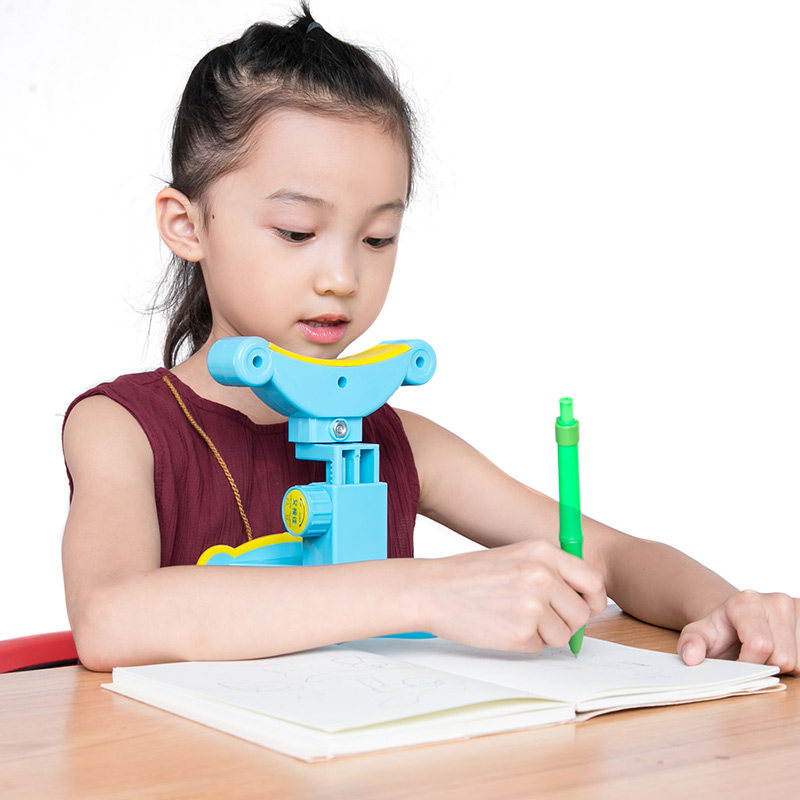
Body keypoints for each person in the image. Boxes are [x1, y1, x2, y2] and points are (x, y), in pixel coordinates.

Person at [62, 2, 799, 674]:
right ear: (186, 225)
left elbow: (611, 554)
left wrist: (730, 607)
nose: (342, 277)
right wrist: (425, 590)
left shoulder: (398, 440)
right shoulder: (121, 428)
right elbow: (108, 618)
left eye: (378, 237)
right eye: (296, 231)